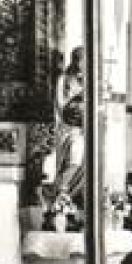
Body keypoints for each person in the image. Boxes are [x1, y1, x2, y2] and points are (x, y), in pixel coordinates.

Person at [50, 46, 85, 209]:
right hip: (67, 127)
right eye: (81, 60)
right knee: (69, 161)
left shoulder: (87, 80)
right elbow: (60, 105)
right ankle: (60, 193)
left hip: (82, 130)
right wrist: (75, 105)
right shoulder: (63, 80)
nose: (83, 64)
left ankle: (67, 194)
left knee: (79, 163)